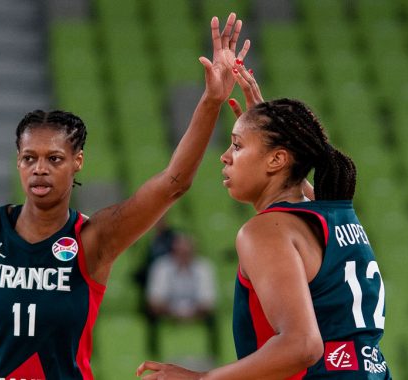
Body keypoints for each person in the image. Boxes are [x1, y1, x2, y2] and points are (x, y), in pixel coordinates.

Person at [0, 13, 251, 379]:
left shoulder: (94, 239)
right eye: (28, 158)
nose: (39, 169)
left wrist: (211, 102)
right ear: (18, 164)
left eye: (54, 159)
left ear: (77, 162)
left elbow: (174, 183)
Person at [137, 51, 392, 378]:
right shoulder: (339, 216)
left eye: (237, 145)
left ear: (276, 160)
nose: (225, 157)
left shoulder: (266, 231)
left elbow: (303, 346)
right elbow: (299, 184)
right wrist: (277, 133)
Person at [145, 233, 218, 360]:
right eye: (180, 251)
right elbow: (155, 302)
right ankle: (155, 356)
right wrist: (176, 312)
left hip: (198, 316)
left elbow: (208, 302)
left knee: (216, 320)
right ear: (173, 251)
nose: (183, 255)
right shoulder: (161, 267)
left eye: (187, 252)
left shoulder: (204, 267)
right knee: (149, 318)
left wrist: (188, 313)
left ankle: (212, 359)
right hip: (167, 316)